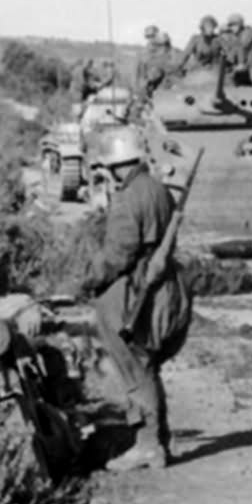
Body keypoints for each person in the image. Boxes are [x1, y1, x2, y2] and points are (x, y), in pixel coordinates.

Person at [77, 126, 191, 471]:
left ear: (115, 165)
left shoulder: (128, 198)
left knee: (134, 365)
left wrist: (89, 280)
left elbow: (118, 254)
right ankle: (160, 439)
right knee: (148, 363)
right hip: (162, 288)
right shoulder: (158, 188)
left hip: (136, 290)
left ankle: (148, 446)